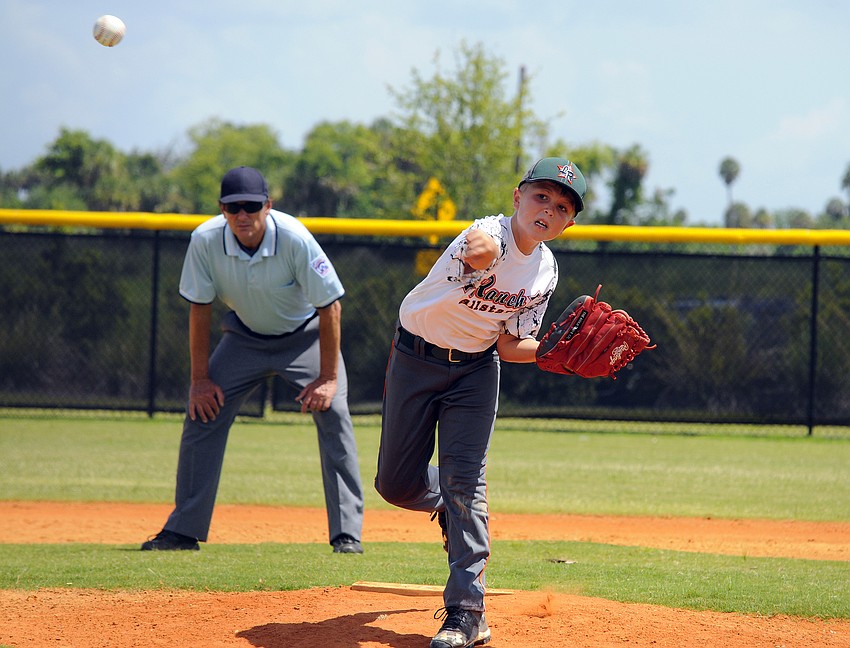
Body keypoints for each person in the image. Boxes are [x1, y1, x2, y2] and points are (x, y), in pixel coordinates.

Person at [375, 157, 587, 647]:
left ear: (568, 222)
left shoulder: (547, 270)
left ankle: (467, 613)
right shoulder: (485, 233)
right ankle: (449, 502)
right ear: (517, 197)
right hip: (414, 357)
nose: (548, 209)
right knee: (395, 484)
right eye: (540, 196)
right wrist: (485, 249)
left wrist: (560, 356)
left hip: (474, 372)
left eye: (561, 207)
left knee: (467, 481)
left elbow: (511, 346)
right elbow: (479, 246)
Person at [142, 166, 365, 554]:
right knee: (202, 411)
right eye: (233, 207)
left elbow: (330, 307)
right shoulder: (205, 240)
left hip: (306, 336)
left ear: (268, 206)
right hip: (244, 338)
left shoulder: (294, 238)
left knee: (335, 412)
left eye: (251, 206)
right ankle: (183, 530)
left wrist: (328, 378)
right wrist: (199, 380)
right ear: (222, 210)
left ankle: (347, 533)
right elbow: (199, 309)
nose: (242, 215)